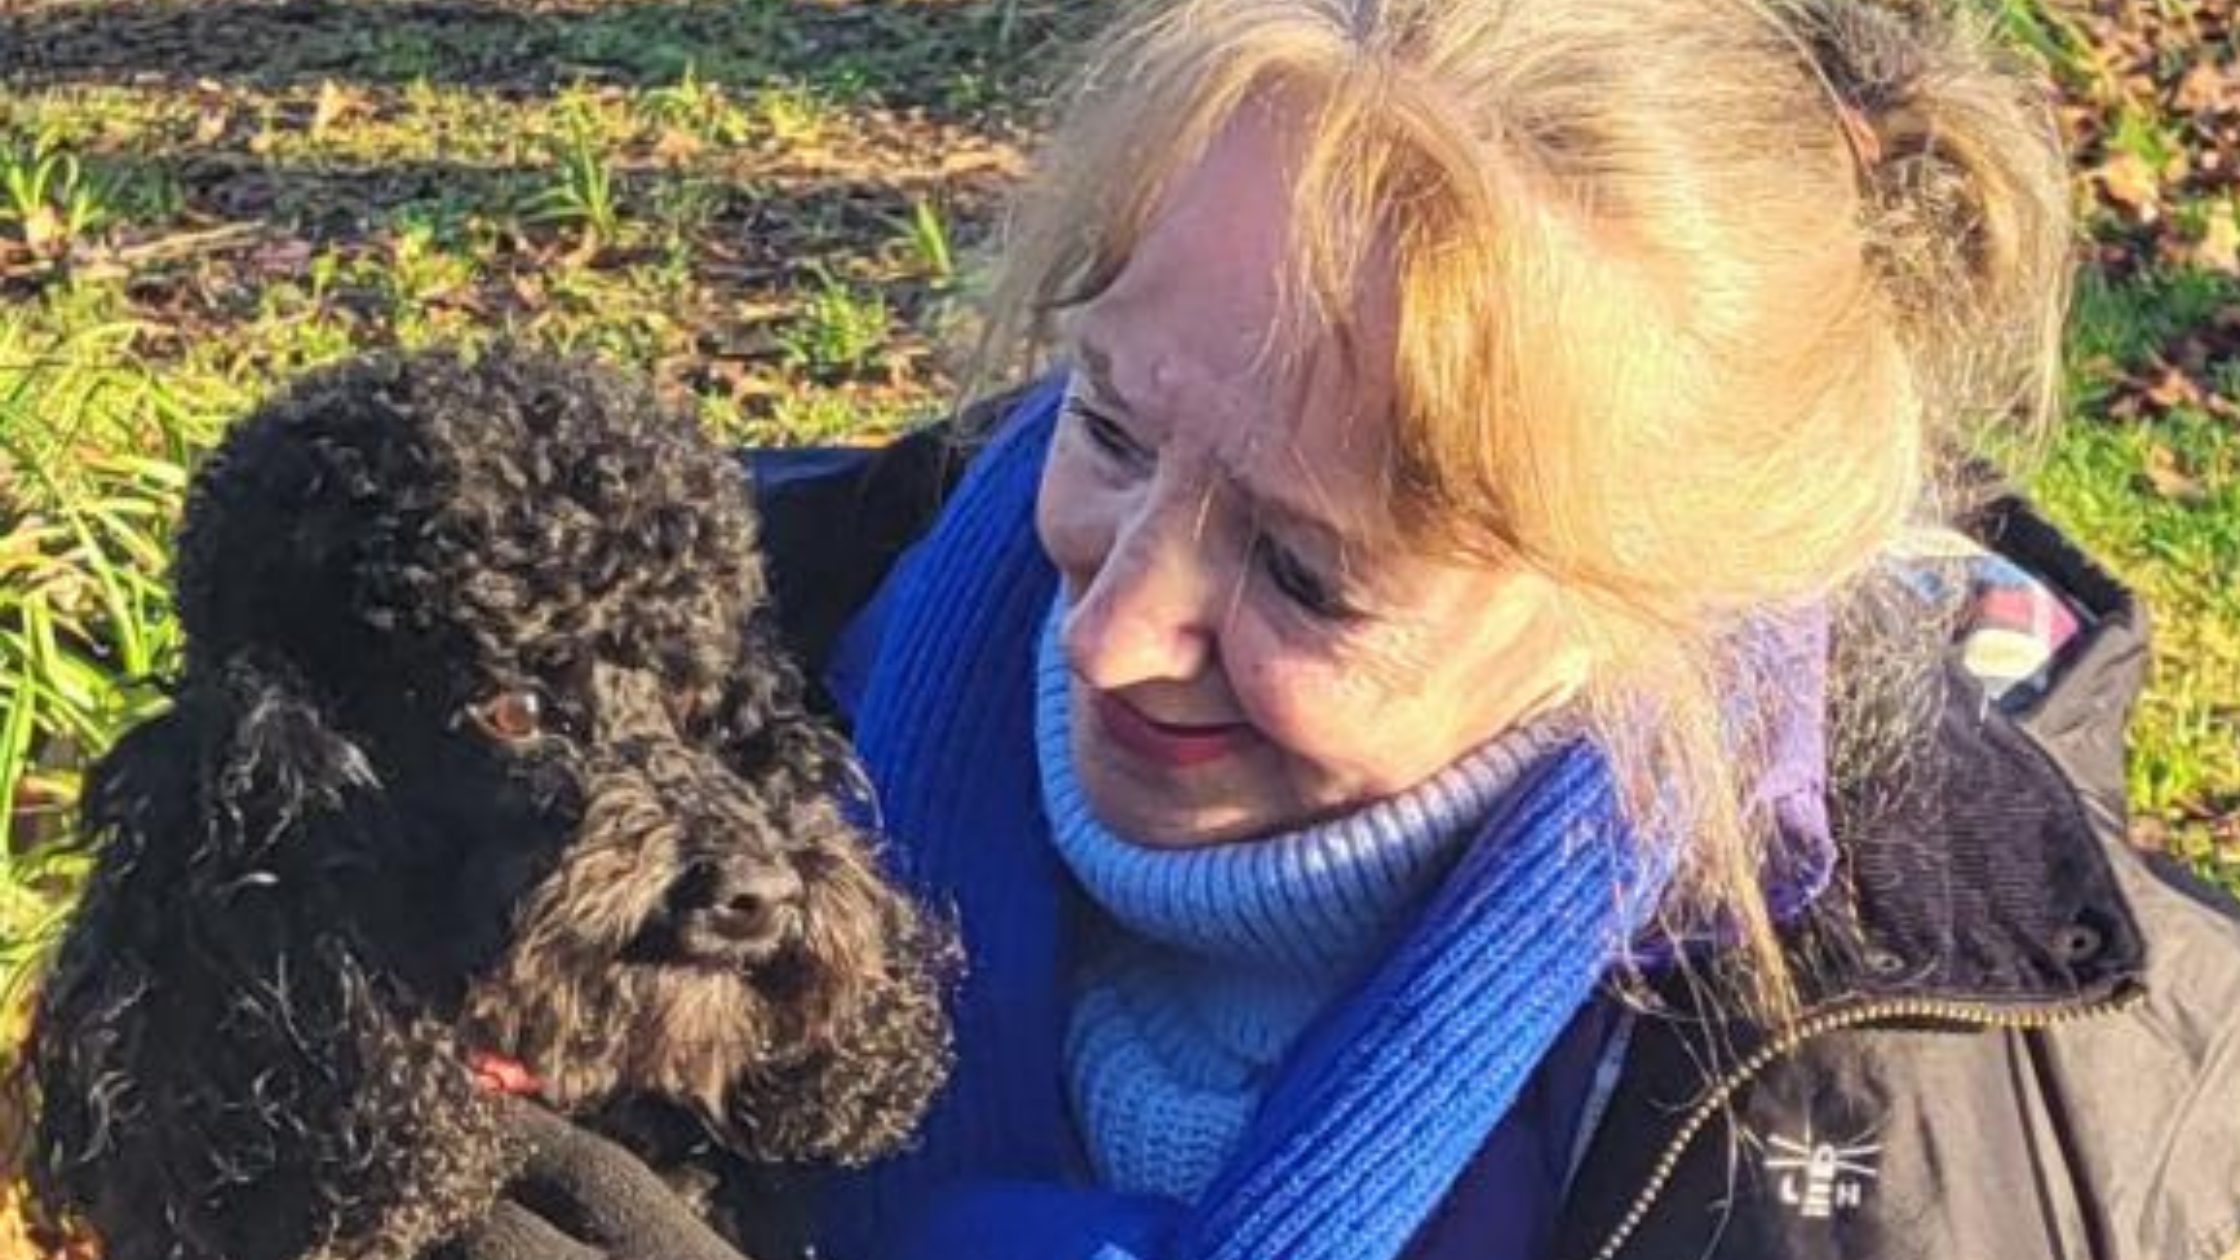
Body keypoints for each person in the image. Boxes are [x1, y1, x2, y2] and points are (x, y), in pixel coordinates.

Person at [455, 0, 2240, 1257]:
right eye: (1108, 429)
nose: (1116, 629)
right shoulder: (648, 709)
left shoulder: (1969, 1107)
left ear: (1663, 609)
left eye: (1311, 574)